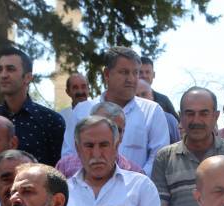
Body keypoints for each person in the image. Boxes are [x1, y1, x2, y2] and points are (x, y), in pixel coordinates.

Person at [64, 46, 169, 174]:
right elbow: (69, 155)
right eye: (124, 72)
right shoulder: (82, 111)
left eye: (135, 72)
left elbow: (158, 158)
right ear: (107, 74)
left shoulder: (152, 112)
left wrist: (135, 181)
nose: (131, 79)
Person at [67, 116, 163, 206]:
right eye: (89, 146)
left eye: (103, 145)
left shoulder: (141, 187)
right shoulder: (65, 192)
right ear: (78, 148)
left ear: (116, 146)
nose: (96, 154)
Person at [0, 46, 65, 166]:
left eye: (10, 69)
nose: (3, 75)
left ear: (28, 77)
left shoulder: (50, 121)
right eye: (0, 70)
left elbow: (58, 169)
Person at [55, 101, 145, 178]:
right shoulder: (65, 167)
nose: (111, 134)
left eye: (117, 130)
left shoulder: (135, 174)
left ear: (122, 134)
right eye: (101, 127)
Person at [137, 79, 181, 144]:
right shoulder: (125, 119)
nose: (141, 99)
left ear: (152, 96)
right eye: (136, 96)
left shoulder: (169, 120)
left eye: (144, 94)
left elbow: (177, 145)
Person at [59, 73, 90, 141]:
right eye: (75, 88)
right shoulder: (61, 117)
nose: (80, 91)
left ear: (88, 89)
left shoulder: (98, 112)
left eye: (83, 87)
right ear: (68, 92)